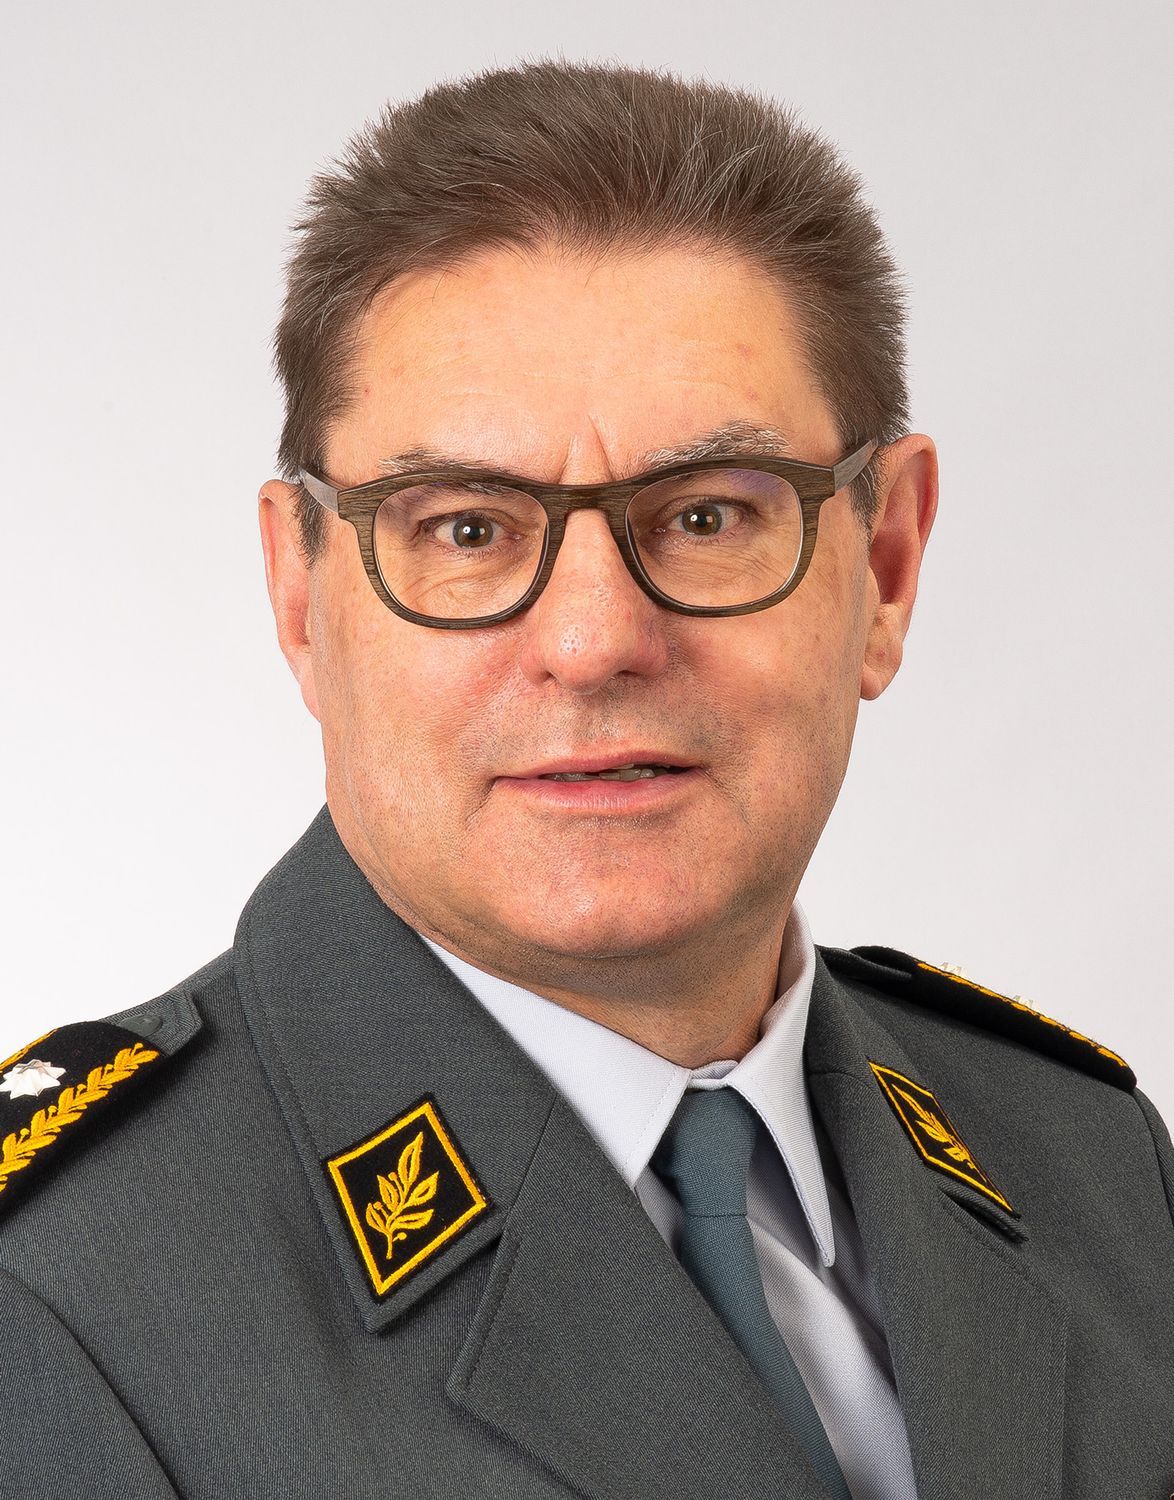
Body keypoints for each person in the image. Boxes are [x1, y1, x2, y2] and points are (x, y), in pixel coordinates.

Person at [1, 59, 1170, 1500]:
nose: (594, 640)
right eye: (466, 529)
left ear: (883, 568)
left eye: (706, 516)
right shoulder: (53, 1302)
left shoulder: (1090, 1165)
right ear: (302, 600)